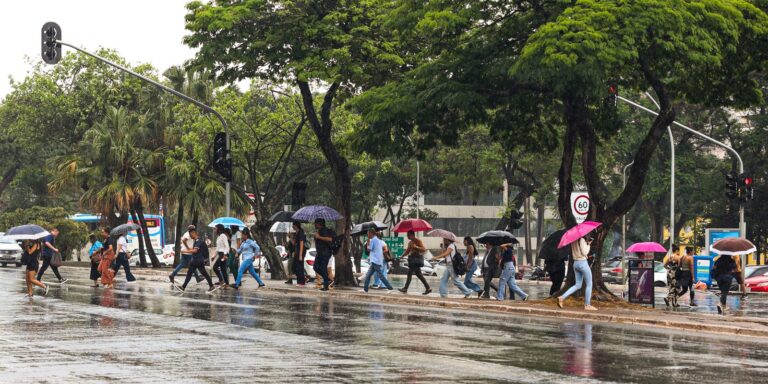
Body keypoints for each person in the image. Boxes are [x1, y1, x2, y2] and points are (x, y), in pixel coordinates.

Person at [558, 236, 597, 311]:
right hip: (583, 263)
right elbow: (585, 252)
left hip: (575, 264)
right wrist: (588, 244)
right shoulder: (581, 239)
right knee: (589, 284)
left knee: (578, 285)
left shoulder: (573, 240)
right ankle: (587, 305)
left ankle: (562, 297)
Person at [176, 229, 217, 293]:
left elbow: (195, 250)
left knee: (203, 273)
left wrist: (184, 251)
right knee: (190, 273)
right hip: (195, 260)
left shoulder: (198, 241)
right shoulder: (196, 241)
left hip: (198, 260)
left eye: (190, 234)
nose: (190, 236)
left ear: (194, 233)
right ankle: (183, 287)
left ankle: (211, 286)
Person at [398, 230, 431, 295]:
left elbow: (423, 249)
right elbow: (407, 251)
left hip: (416, 260)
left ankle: (405, 288)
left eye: (408, 235)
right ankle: (428, 288)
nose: (407, 236)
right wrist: (401, 256)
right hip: (413, 260)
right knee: (419, 275)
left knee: (409, 274)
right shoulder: (410, 242)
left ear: (412, 235)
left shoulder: (418, 241)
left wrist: (416, 247)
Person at [362, 228, 394, 292]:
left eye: (368, 234)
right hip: (376, 261)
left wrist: (368, 243)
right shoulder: (378, 240)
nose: (367, 235)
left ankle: (389, 287)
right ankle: (365, 289)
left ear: (371, 233)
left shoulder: (373, 240)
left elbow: (369, 249)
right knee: (369, 275)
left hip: (375, 261)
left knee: (380, 275)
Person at [312, 218, 335, 291]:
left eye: (315, 223)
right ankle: (327, 279)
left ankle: (326, 285)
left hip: (325, 253)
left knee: (323, 268)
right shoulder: (319, 231)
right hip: (319, 253)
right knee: (315, 267)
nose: (314, 225)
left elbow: (330, 239)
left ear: (319, 224)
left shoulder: (325, 230)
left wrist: (319, 237)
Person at [292, 222, 307, 287]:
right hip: (296, 252)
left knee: (300, 267)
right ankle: (302, 279)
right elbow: (294, 243)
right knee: (295, 267)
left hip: (301, 251)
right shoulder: (296, 233)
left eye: (293, 225)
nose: (292, 226)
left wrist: (300, 255)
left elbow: (301, 243)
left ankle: (301, 282)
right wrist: (290, 238)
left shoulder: (301, 232)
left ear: (296, 225)